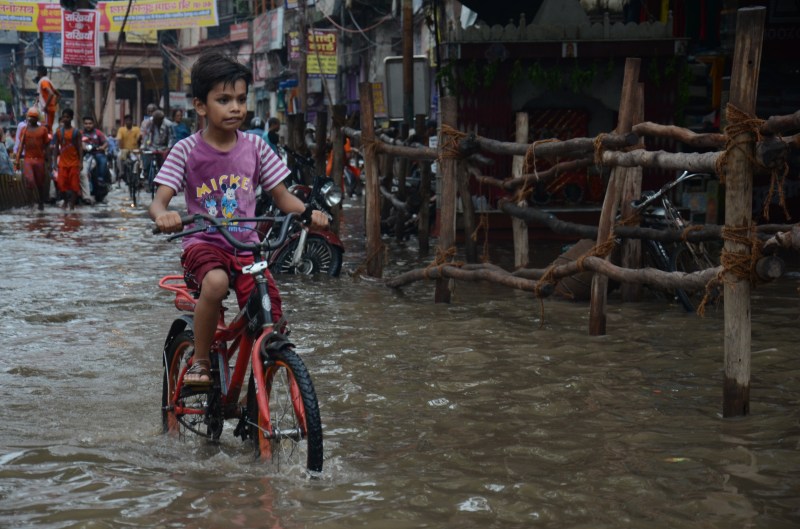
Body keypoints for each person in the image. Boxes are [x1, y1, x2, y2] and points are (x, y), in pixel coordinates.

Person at [149, 50, 328, 387]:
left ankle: (260, 393)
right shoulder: (186, 150)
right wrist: (165, 215)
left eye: (241, 99)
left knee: (270, 314)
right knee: (215, 284)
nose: (236, 107)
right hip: (204, 244)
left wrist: (308, 213)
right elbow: (159, 202)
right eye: (224, 99)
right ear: (201, 106)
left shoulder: (257, 148)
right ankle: (200, 360)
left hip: (247, 249)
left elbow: (283, 196)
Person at [14, 108, 51, 210]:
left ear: (37, 118)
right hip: (28, 159)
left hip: (40, 159)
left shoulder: (43, 130)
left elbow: (46, 145)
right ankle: (29, 204)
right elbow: (21, 146)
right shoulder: (24, 130)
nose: (31, 119)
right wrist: (17, 161)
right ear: (27, 118)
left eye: (34, 117)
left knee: (40, 183)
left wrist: (49, 160)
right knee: (29, 180)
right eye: (30, 117)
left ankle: (41, 204)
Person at [52, 108, 82, 209]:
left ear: (71, 118)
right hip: (62, 163)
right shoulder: (58, 132)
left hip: (74, 162)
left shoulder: (76, 132)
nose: (65, 119)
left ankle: (72, 206)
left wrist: (81, 162)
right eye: (64, 117)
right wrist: (54, 162)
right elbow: (56, 148)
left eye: (67, 117)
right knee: (61, 184)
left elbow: (80, 148)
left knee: (74, 186)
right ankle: (65, 201)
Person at [80, 115, 110, 203]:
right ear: (83, 124)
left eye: (90, 123)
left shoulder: (98, 133)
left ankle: (101, 179)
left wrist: (102, 147)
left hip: (97, 153)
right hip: (84, 155)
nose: (88, 125)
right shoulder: (80, 133)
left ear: (93, 124)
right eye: (86, 123)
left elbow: (105, 143)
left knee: (103, 160)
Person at [141, 109, 173, 183]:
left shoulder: (168, 124)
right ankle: (146, 173)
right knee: (145, 155)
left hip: (163, 147)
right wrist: (144, 145)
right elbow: (146, 135)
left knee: (164, 163)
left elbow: (171, 137)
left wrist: (168, 148)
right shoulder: (150, 123)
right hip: (152, 146)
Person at [35, 66, 61, 131]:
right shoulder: (48, 81)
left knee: (45, 129)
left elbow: (51, 93)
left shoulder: (43, 81)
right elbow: (59, 95)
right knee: (48, 128)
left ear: (39, 73)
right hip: (50, 109)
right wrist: (53, 105)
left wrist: (46, 106)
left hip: (45, 110)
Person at [116, 114, 141, 180]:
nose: (128, 122)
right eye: (127, 120)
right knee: (119, 157)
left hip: (135, 150)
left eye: (130, 120)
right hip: (124, 150)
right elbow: (119, 139)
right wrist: (120, 148)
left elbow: (139, 138)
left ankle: (140, 175)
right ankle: (121, 172)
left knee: (140, 159)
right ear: (125, 121)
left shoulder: (137, 129)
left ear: (132, 121)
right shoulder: (121, 129)